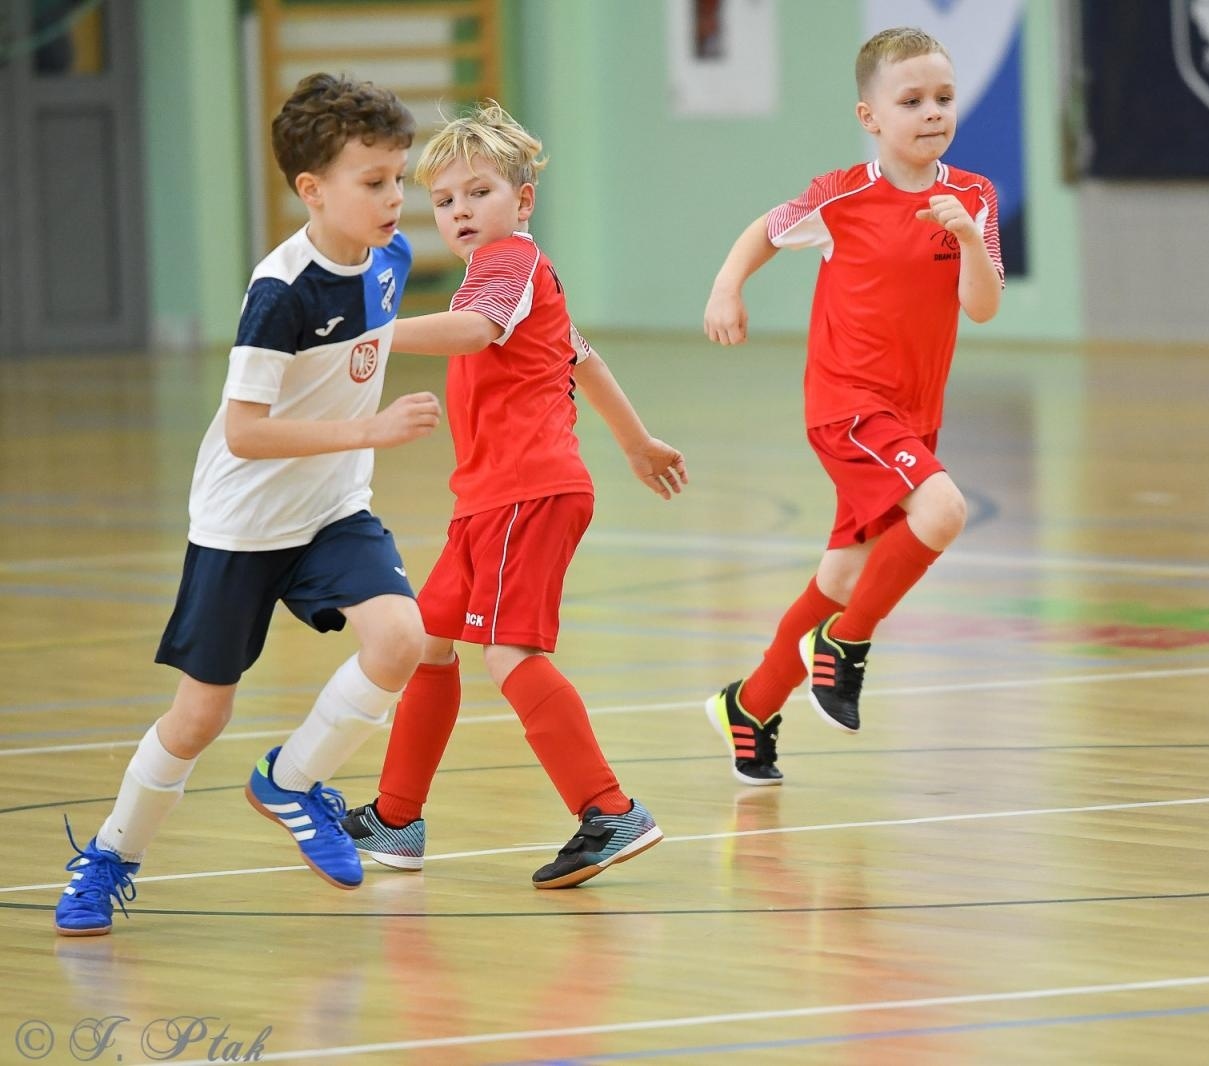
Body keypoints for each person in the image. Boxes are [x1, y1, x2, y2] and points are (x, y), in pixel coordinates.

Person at [54, 74, 439, 935]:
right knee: (201, 715)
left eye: (399, 178)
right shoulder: (280, 292)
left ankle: (291, 780)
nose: (394, 198)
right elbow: (245, 433)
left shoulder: (392, 260)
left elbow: (378, 338)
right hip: (243, 523)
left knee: (403, 638)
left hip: (333, 511)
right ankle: (110, 855)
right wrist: (370, 429)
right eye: (373, 182)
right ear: (312, 189)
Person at [339, 103, 684, 888]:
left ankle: (609, 810)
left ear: (521, 202)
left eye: (479, 192)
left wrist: (370, 333)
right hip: (487, 500)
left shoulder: (508, 266)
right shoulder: (509, 275)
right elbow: (583, 360)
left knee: (509, 652)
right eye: (447, 200)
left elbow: (470, 334)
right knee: (432, 640)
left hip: (526, 493)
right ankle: (397, 819)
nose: (461, 211)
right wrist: (634, 442)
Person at [701, 26, 1004, 785]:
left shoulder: (972, 196)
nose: (932, 112)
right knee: (944, 512)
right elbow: (763, 231)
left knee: (841, 573)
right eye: (911, 101)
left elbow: (984, 308)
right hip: (847, 406)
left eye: (943, 97)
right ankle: (846, 645)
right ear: (871, 116)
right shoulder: (841, 196)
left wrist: (969, 240)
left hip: (910, 415)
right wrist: (726, 287)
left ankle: (753, 704)